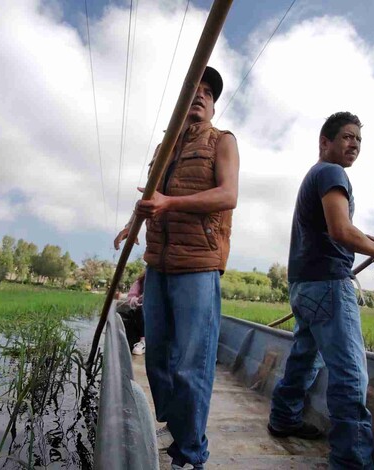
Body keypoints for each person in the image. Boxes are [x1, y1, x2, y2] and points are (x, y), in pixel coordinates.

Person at [114, 66, 239, 470]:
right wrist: (134, 225)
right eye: (193, 91)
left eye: (208, 92)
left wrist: (169, 204)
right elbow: (152, 197)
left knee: (191, 366)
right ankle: (179, 428)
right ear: (182, 101)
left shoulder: (222, 142)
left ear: (214, 104)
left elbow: (227, 195)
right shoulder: (163, 149)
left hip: (198, 266)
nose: (200, 97)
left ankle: (191, 455)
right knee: (158, 362)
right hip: (158, 266)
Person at [268, 112, 374, 469]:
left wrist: (373, 240)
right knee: (351, 375)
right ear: (325, 142)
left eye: (358, 140)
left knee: (305, 357)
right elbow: (340, 230)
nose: (353, 144)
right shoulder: (331, 172)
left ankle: (283, 417)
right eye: (346, 137)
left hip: (304, 286)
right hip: (327, 284)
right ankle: (352, 461)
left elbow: (335, 227)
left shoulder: (317, 175)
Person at [116, 273, 146, 355]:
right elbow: (130, 299)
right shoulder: (141, 281)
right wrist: (137, 300)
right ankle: (143, 341)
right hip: (142, 314)